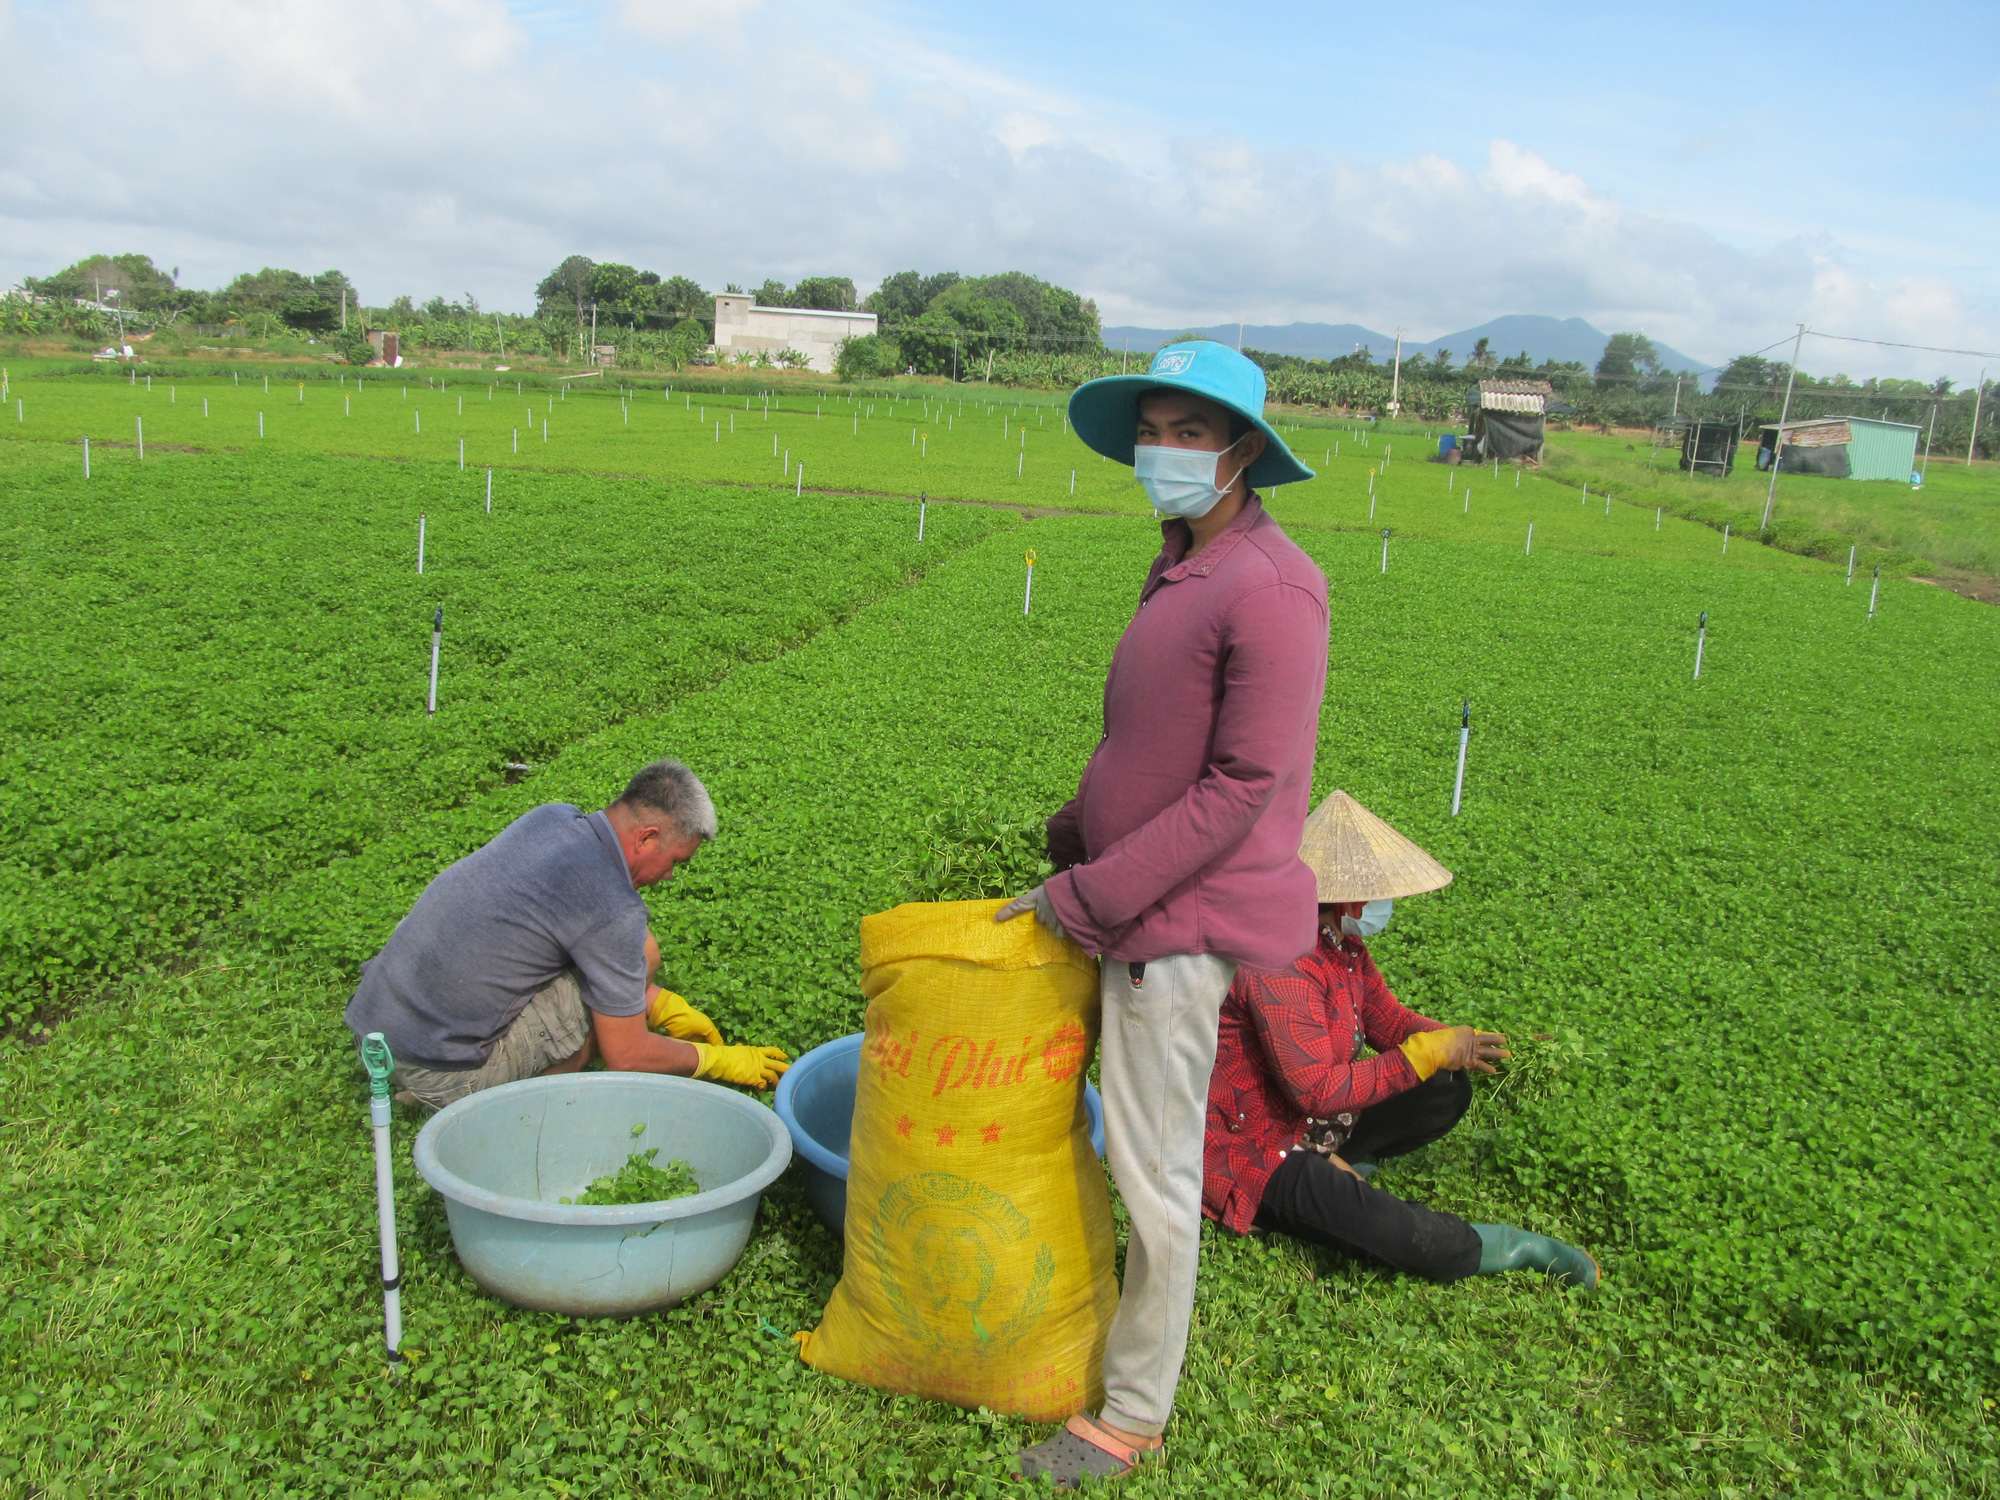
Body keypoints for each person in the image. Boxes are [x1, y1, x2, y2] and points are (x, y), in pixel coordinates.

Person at [999, 341, 1330, 1487]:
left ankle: (1131, 1414)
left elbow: (1242, 787)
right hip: (1119, 898)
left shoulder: (1272, 586)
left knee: (1153, 1170)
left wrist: (1092, 895)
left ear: (1243, 451)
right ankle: (1097, 1322)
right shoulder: (1186, 561)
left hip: (1169, 927)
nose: (1163, 450)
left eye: (1190, 432)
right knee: (1126, 1144)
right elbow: (1143, 744)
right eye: (1153, 427)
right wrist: (1068, 831)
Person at [1205, 790, 1597, 1288]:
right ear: (1346, 897)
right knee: (1386, 1229)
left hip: (1310, 1123)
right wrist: (1423, 1054)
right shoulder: (1278, 964)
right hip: (1258, 1147)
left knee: (1444, 1085)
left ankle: (1341, 1160)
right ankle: (1506, 1246)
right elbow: (1318, 1090)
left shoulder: (1341, 947)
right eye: (1373, 892)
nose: (1379, 904)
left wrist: (1465, 1043)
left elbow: (1388, 1021)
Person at [343, 758, 789, 1107]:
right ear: (647, 838)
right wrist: (717, 1060)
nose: (670, 876)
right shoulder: (612, 909)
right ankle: (487, 1104)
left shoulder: (554, 818)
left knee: (635, 954)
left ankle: (424, 1084)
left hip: (377, 1029)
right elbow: (627, 1056)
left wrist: (657, 1002)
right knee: (626, 978)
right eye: (676, 861)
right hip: (440, 1066)